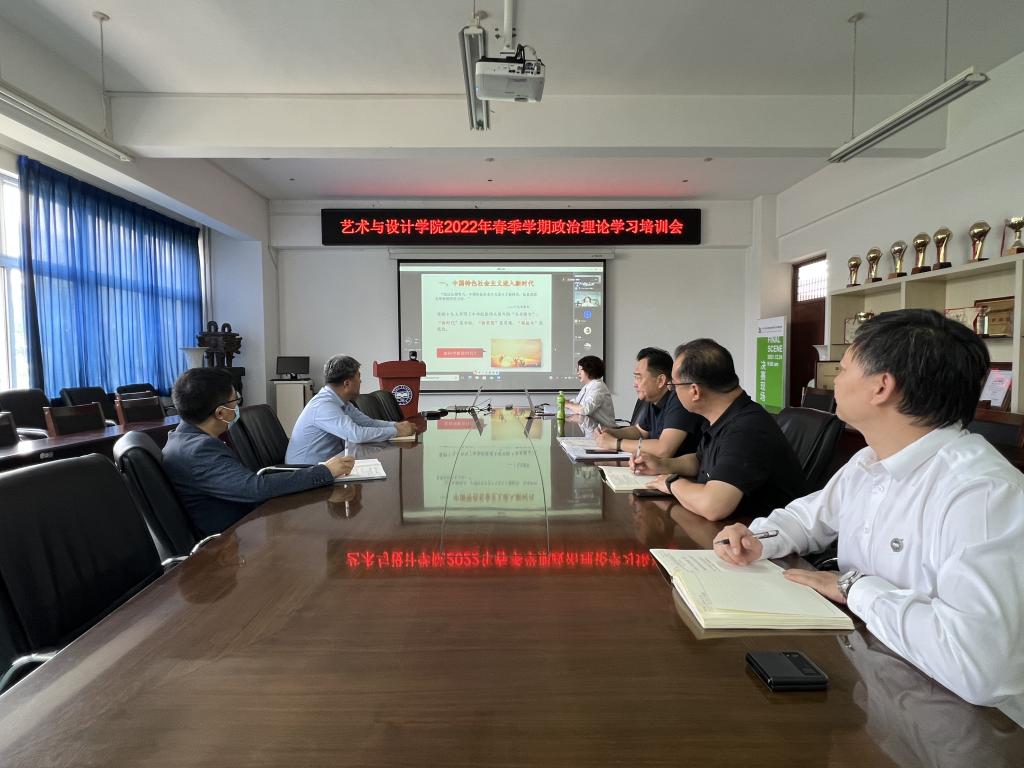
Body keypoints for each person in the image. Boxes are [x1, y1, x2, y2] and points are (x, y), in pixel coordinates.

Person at [715, 309, 1024, 711]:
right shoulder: (868, 461)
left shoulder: (982, 494)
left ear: (881, 387)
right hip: (878, 676)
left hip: (967, 721)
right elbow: (806, 520)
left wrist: (854, 588)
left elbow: (978, 668)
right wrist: (756, 538)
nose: (835, 381)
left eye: (843, 370)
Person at [163, 368, 354, 537]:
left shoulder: (182, 439)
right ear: (220, 413)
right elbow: (255, 489)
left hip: (244, 525)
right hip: (229, 541)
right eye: (235, 400)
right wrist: (325, 471)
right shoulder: (199, 450)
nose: (237, 407)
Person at [631, 338, 804, 521]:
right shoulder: (723, 416)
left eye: (674, 385)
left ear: (695, 391)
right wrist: (662, 465)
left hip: (762, 533)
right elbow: (700, 460)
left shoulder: (747, 429)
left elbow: (713, 505)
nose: (672, 391)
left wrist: (671, 482)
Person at [285, 355, 416, 463]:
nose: (361, 381)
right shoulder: (323, 406)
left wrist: (396, 425)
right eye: (358, 377)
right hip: (306, 472)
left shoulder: (341, 402)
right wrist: (396, 431)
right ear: (347, 383)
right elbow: (356, 435)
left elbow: (368, 423)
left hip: (330, 465)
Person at [594, 347, 704, 458]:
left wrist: (616, 443)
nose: (634, 384)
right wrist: (611, 432)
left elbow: (664, 449)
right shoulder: (652, 400)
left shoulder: (679, 400)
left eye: (639, 377)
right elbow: (640, 431)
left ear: (660, 381)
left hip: (680, 468)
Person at [564, 355, 615, 426]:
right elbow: (577, 402)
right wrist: (567, 402)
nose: (578, 373)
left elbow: (585, 409)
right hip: (592, 428)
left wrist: (567, 404)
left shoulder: (598, 387)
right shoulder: (587, 386)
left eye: (580, 370)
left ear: (590, 370)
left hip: (604, 430)